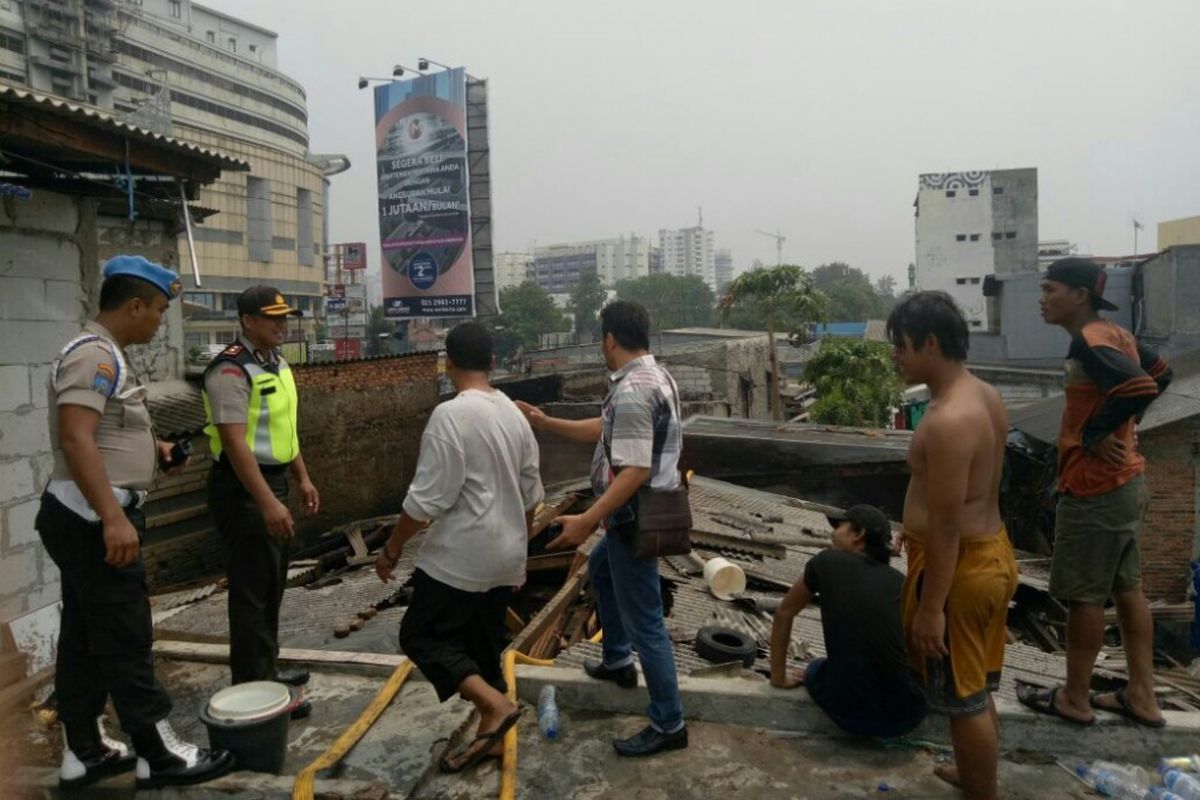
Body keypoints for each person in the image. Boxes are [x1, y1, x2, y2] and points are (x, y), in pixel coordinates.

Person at [37, 256, 234, 789]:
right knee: (126, 636)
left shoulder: (109, 357)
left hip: (80, 516)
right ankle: (159, 753)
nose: (160, 321)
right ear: (135, 305)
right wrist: (112, 519)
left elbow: (106, 432)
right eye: (160, 310)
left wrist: (160, 448)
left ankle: (86, 751)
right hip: (90, 518)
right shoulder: (94, 357)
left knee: (84, 636)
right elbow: (76, 437)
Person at [515, 300, 687, 757]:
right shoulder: (653, 377)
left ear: (610, 339)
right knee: (601, 569)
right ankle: (617, 660)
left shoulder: (632, 391)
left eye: (601, 340)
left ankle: (669, 722)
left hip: (633, 519)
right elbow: (605, 430)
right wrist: (547, 422)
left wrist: (587, 519)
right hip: (634, 517)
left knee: (646, 621)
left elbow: (633, 471)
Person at [375, 322, 543, 773]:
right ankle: (492, 732)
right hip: (507, 553)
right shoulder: (513, 412)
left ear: (447, 362)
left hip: (463, 554)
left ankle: (495, 706)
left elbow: (427, 500)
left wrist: (391, 549)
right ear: (492, 362)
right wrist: (520, 552)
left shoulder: (451, 415)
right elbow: (532, 495)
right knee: (482, 646)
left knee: (421, 635)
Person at [1018, 258, 1171, 728]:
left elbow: (1142, 383)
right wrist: (1127, 425)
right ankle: (1142, 695)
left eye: (1051, 288)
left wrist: (1095, 431)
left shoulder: (1089, 342)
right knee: (1128, 590)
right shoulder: (1117, 335)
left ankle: (1076, 698)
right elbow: (1161, 373)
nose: (1043, 298)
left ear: (1080, 295)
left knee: (1085, 598)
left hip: (1095, 487)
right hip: (1126, 482)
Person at [889, 291, 1018, 800]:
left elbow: (946, 526)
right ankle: (972, 774)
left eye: (901, 346)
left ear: (931, 343)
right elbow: (962, 494)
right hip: (990, 552)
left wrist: (931, 609)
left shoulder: (947, 421)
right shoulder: (983, 395)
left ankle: (982, 793)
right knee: (976, 685)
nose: (896, 357)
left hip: (959, 571)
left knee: (962, 698)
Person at [202, 286, 319, 717]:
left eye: (284, 317)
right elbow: (235, 444)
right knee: (252, 591)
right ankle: (255, 692)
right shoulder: (231, 371)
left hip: (272, 482)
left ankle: (265, 670)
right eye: (272, 318)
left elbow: (285, 430)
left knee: (271, 583)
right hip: (244, 489)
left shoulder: (276, 363)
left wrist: (302, 477)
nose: (281, 325)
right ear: (248, 320)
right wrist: (268, 501)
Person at [770, 505, 926, 738]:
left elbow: (784, 613)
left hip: (848, 715)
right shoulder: (900, 583)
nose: (833, 532)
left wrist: (778, 676)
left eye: (840, 526)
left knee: (815, 667)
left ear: (858, 535)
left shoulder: (827, 561)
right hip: (905, 717)